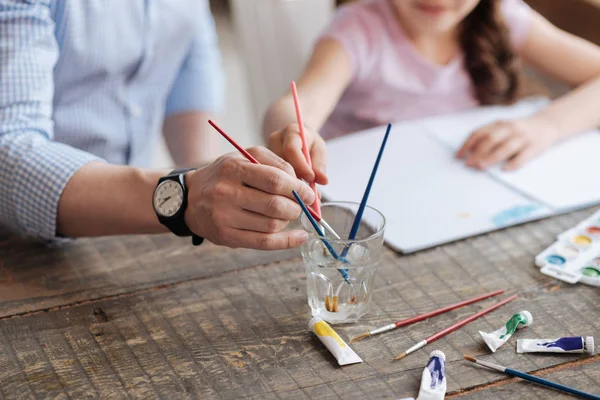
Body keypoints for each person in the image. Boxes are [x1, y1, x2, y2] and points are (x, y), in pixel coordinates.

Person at [0, 0, 314, 250]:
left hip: (137, 228)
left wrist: (208, 183)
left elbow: (190, 49)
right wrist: (186, 197)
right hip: (22, 245)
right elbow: (7, 148)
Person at [263, 0, 600, 188]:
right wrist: (294, 131)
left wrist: (546, 126)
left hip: (468, 195)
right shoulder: (357, 28)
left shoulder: (506, 17)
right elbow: (298, 104)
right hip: (372, 209)